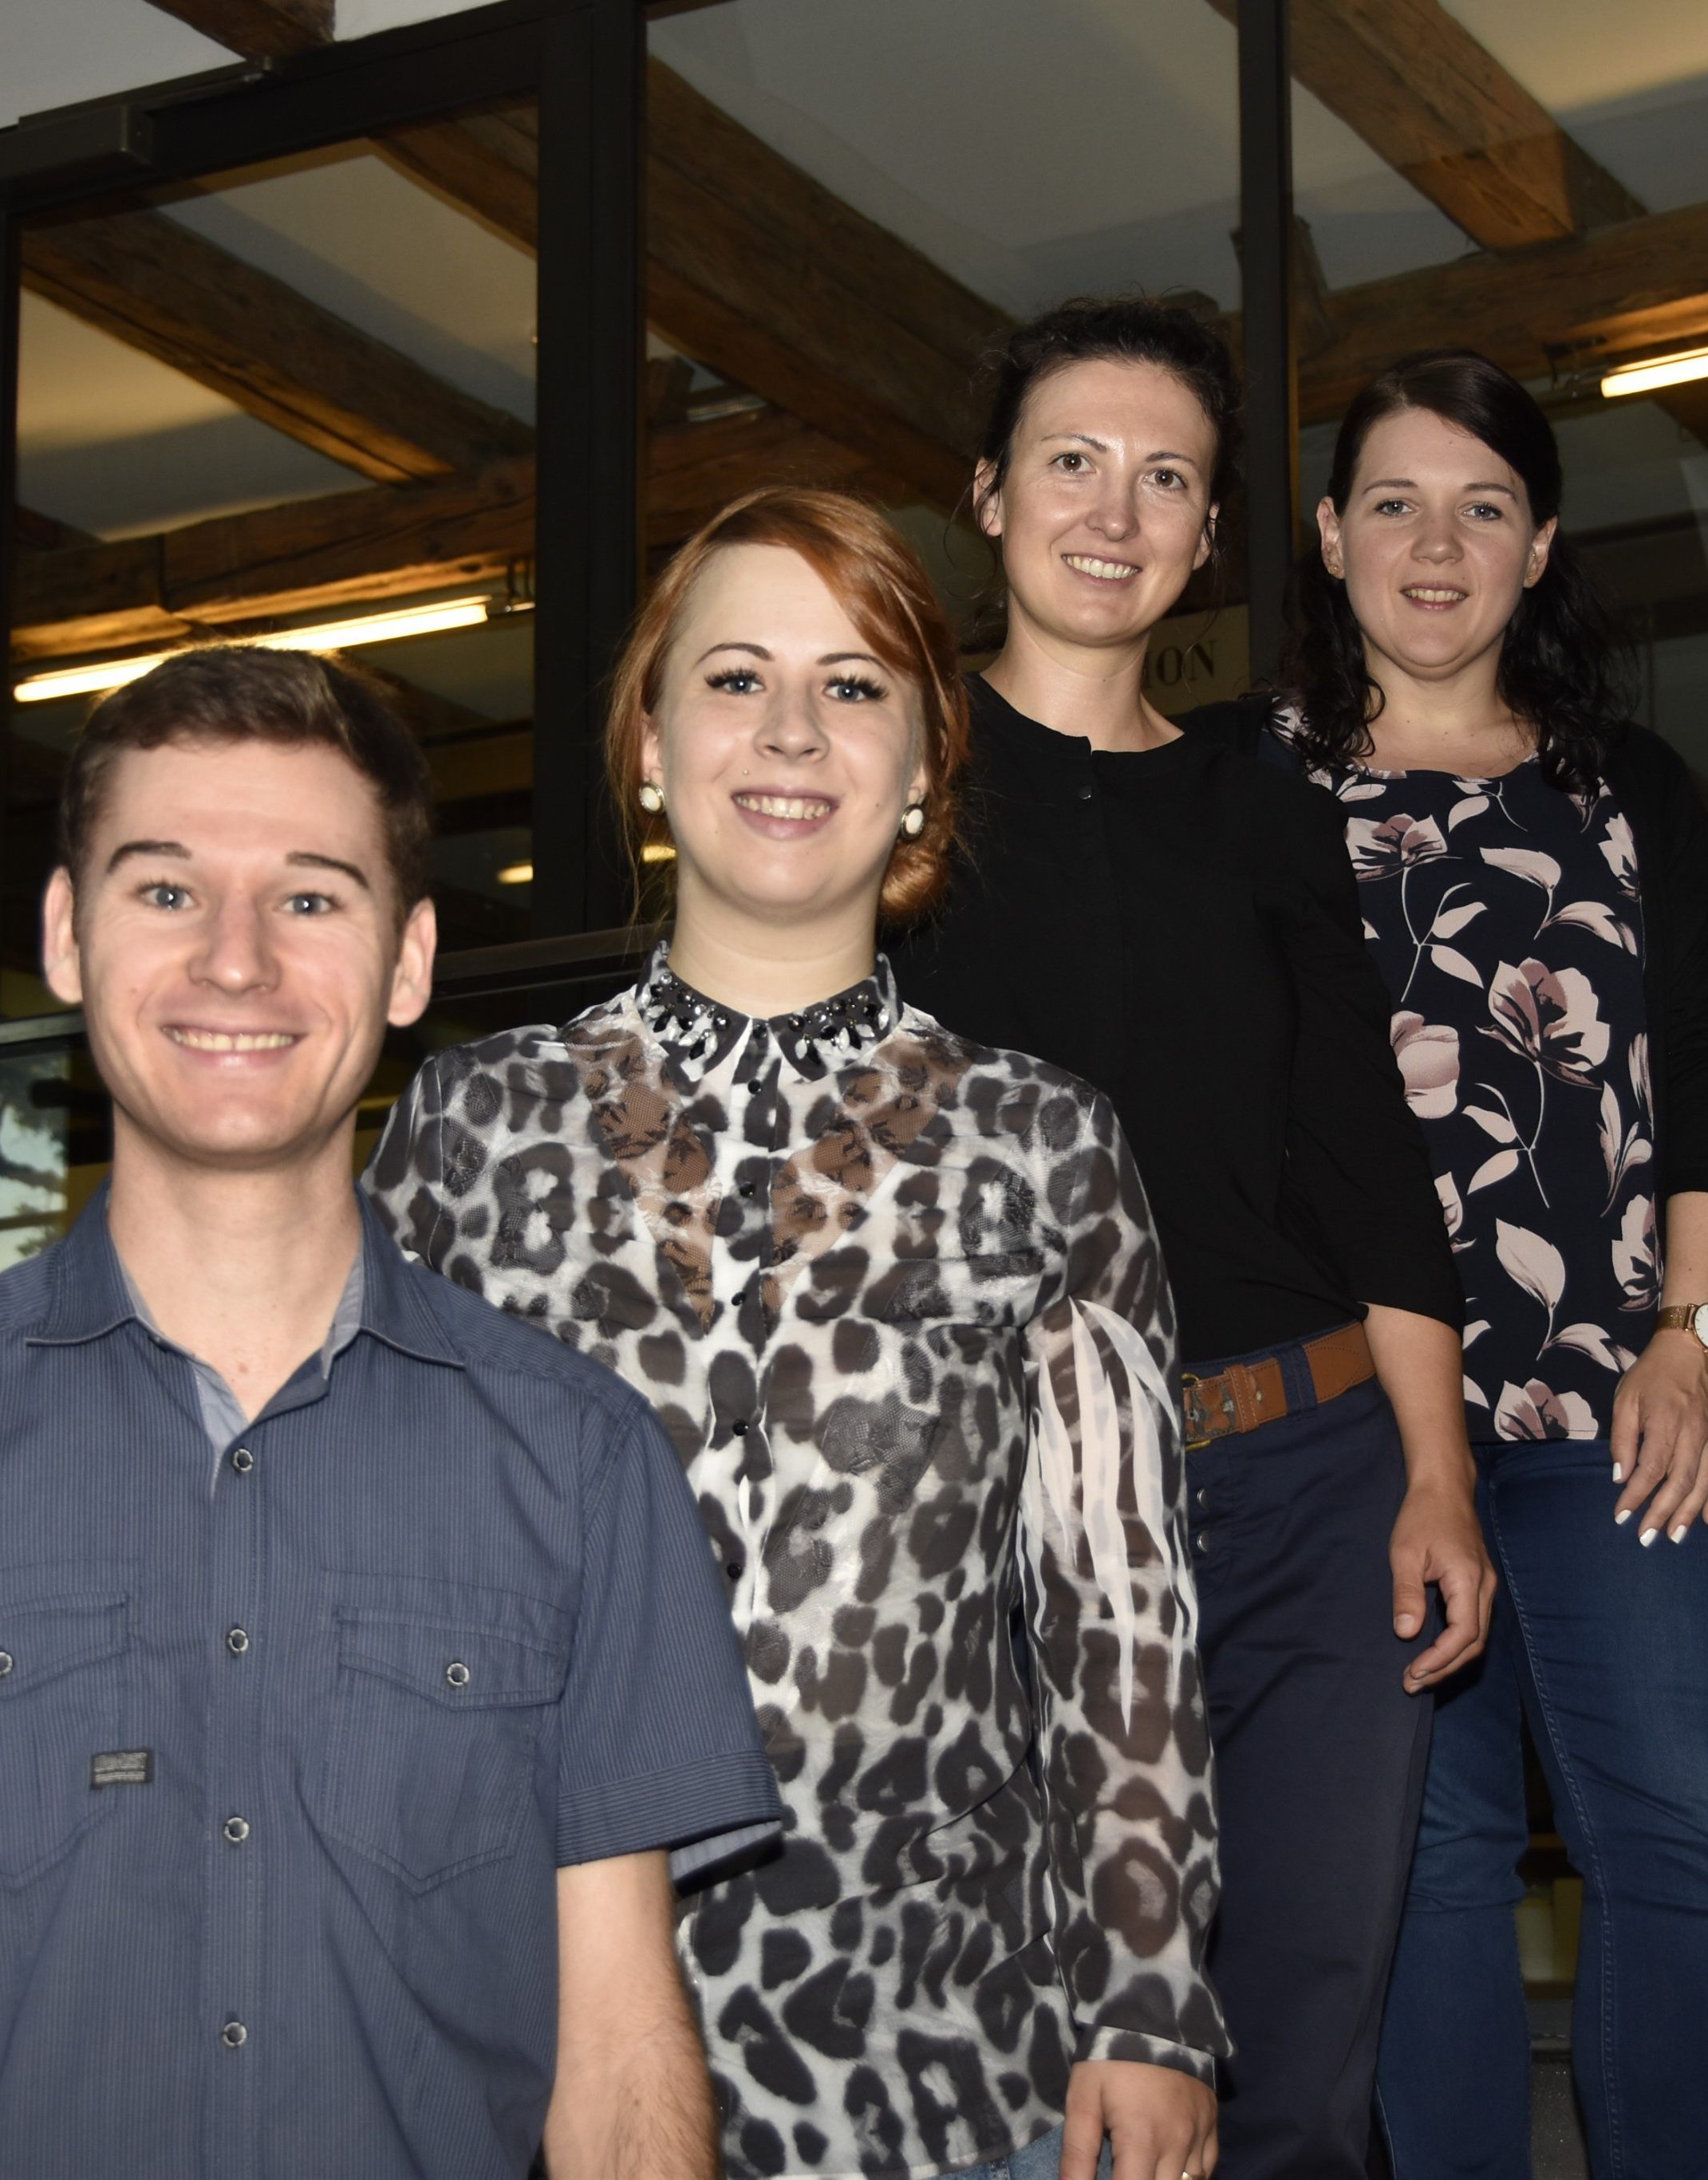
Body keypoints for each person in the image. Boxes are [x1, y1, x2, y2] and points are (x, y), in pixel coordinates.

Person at [0, 648, 781, 2180]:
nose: (235, 962)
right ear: (66, 932)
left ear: (408, 959)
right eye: (168, 890)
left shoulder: (579, 1462)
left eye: (311, 897)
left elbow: (621, 2052)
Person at [368, 487, 1222, 2180]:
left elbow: (1123, 1618)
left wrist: (1152, 1999)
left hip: (953, 2060)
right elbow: (361, 1586)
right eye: (733, 675)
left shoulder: (1049, 1143)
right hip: (525, 2056)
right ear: (647, 743)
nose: (787, 730)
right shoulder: (468, 1127)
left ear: (920, 765)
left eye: (852, 686)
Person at [888, 298, 1494, 2180]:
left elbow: (1363, 1164)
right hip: (1002, 1504)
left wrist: (1433, 1471)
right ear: (987, 496)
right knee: (1046, 2076)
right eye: (1070, 459)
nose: (1113, 506)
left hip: (1307, 1485)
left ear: (1212, 533)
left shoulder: (1265, 798)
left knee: (1302, 2081)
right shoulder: (886, 785)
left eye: (1166, 477)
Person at [1256, 349, 1708, 2180]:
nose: (1433, 542)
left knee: (1684, 1825)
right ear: (1328, 537)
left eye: (1483, 505)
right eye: (1391, 500)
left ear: (1538, 545)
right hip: (1362, 1432)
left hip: (1620, 1400)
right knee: (1430, 1855)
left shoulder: (1626, 783)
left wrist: (1689, 1333)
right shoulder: (1257, 795)